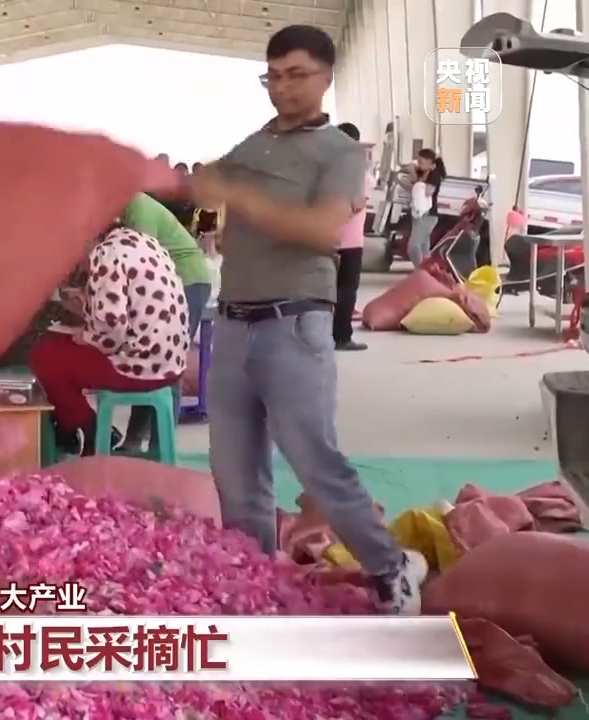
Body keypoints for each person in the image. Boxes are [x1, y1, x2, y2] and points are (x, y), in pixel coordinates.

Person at [182, 25, 427, 614]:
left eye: (296, 75)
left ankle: (390, 567)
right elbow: (205, 189)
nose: (282, 87)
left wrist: (248, 200)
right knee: (235, 474)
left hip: (293, 322)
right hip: (233, 323)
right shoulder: (253, 146)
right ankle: (256, 583)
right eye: (272, 76)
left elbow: (321, 229)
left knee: (315, 462)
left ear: (325, 77)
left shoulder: (338, 152)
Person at [29, 224, 190, 456]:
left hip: (142, 367)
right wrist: (87, 305)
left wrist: (85, 336)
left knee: (45, 357)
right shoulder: (142, 242)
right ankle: (83, 429)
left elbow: (111, 330)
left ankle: (90, 432)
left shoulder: (106, 255)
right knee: (58, 349)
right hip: (169, 362)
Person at [119, 192, 213, 449]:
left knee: (169, 360)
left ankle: (162, 443)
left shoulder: (138, 207)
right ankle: (134, 438)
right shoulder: (125, 210)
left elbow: (141, 261)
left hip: (187, 280)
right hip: (165, 283)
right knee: (149, 358)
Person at [333, 122, 371, 352]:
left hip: (325, 238)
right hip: (350, 241)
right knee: (346, 289)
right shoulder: (358, 170)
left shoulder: (325, 169)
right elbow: (358, 203)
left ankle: (321, 335)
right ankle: (341, 337)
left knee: (324, 290)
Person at [407, 148, 446, 267]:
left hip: (428, 215)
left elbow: (427, 192)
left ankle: (420, 270)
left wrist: (418, 182)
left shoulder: (434, 174)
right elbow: (413, 184)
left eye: (421, 161)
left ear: (429, 161)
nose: (418, 163)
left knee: (414, 245)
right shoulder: (423, 172)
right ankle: (428, 270)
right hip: (419, 213)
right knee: (424, 246)